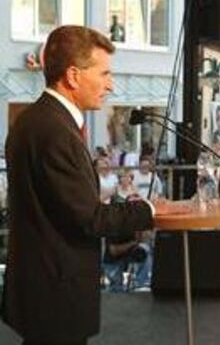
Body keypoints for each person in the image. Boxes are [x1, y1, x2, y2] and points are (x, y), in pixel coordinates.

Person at [2, 26, 159, 345]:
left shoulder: (32, 122)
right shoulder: (56, 131)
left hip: (42, 287)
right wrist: (150, 210)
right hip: (57, 292)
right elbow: (90, 218)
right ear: (73, 76)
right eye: (104, 73)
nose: (110, 84)